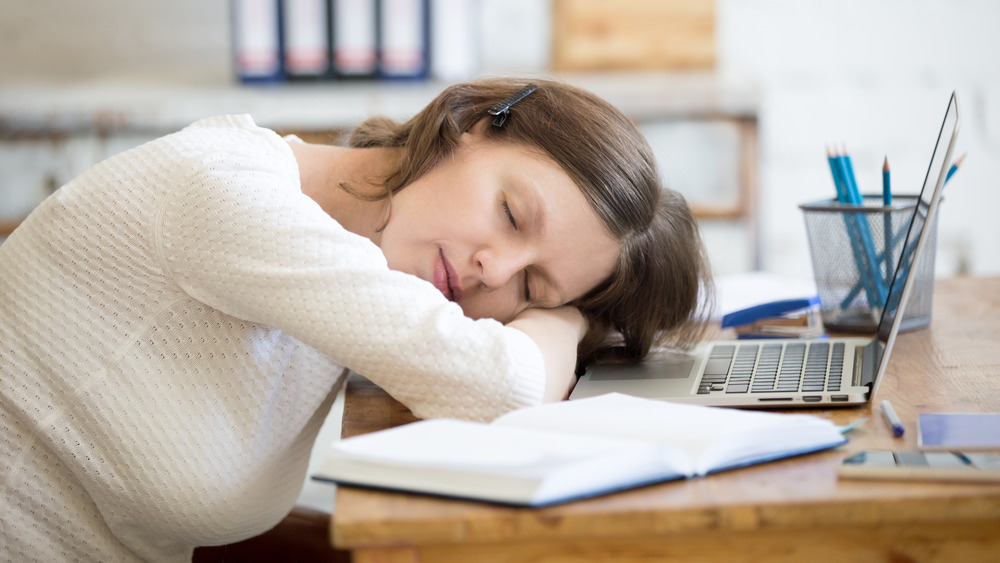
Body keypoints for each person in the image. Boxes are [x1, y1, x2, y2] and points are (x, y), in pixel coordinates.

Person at [0, 78, 712, 561]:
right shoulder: (226, 194)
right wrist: (566, 318)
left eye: (531, 282)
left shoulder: (368, 260)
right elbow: (503, 385)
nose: (494, 270)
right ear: (468, 125)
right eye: (511, 212)